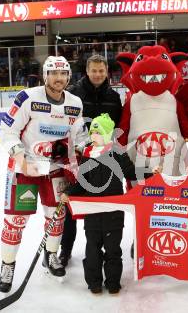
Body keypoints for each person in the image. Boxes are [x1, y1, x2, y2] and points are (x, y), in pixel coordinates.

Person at [0, 56, 88, 293]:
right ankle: (8, 265)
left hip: (55, 168)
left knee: (56, 217)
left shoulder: (75, 102)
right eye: (54, 73)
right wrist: (20, 158)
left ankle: (52, 255)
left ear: (69, 76)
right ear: (45, 75)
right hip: (26, 168)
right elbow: (7, 132)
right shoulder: (27, 98)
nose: (59, 78)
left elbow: (79, 137)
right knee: (15, 221)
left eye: (63, 73)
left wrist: (76, 149)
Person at [60, 113, 158, 294]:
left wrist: (150, 172)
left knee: (113, 249)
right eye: (92, 132)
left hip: (113, 211)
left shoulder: (117, 152)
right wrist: (68, 193)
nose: (93, 136)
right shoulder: (88, 154)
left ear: (106, 134)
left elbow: (131, 172)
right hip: (93, 212)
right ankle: (94, 282)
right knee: (92, 249)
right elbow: (82, 182)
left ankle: (113, 282)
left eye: (98, 132)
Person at [60, 54, 122, 267]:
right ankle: (65, 250)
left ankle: (104, 250)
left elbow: (118, 128)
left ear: (107, 72)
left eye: (101, 71)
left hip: (104, 159)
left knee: (102, 205)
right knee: (73, 204)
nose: (97, 74)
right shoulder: (73, 94)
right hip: (77, 157)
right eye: (94, 70)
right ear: (87, 71)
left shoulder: (114, 97)